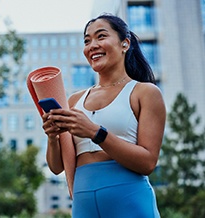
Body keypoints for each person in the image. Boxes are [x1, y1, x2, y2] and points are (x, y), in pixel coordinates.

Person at [41, 13, 166, 218]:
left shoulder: (145, 93)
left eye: (101, 36)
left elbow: (148, 163)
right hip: (83, 204)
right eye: (87, 40)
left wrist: (94, 132)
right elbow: (56, 167)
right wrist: (52, 137)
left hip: (130, 200)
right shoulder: (74, 101)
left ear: (125, 44)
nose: (92, 45)